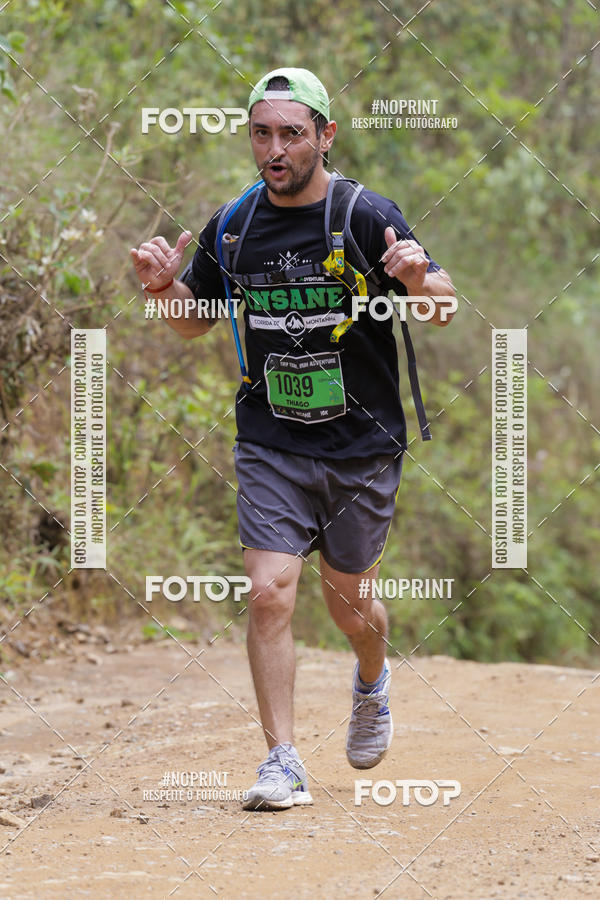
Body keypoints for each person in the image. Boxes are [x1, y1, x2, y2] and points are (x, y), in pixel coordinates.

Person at [131, 67, 456, 812]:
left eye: (291, 133)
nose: (274, 149)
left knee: (350, 606)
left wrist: (414, 278)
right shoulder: (235, 225)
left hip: (362, 446)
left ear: (325, 136)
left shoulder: (367, 213)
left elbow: (442, 305)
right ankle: (281, 759)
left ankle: (371, 679)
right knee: (270, 592)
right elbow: (192, 320)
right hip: (271, 439)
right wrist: (163, 290)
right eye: (261, 133)